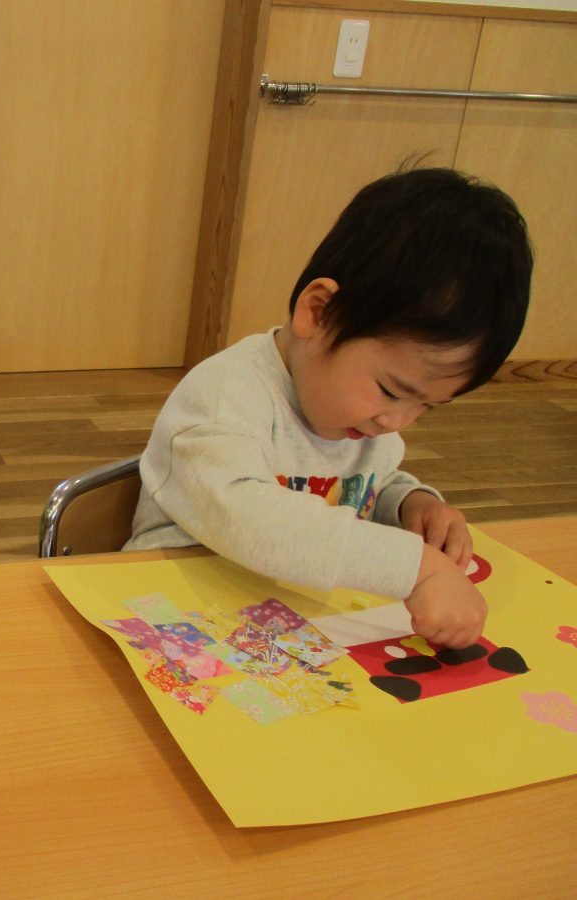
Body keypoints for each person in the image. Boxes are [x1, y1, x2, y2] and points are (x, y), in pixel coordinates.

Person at [125, 167, 532, 649]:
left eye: (427, 407)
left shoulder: (357, 417)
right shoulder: (223, 399)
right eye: (392, 391)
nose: (396, 422)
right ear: (318, 312)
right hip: (173, 617)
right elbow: (250, 521)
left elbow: (358, 484)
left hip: (279, 623)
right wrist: (417, 568)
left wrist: (408, 502)